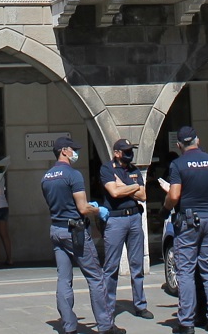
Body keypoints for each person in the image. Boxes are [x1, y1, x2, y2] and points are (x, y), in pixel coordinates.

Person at [41, 136, 119, 334]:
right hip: (75, 231)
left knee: (64, 279)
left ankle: (68, 327)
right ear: (64, 151)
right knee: (95, 277)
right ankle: (106, 326)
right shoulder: (73, 175)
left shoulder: (47, 177)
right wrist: (98, 209)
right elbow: (82, 208)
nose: (76, 153)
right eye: (73, 149)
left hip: (56, 230)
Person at [164, 126, 208, 334]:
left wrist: (165, 208)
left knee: (185, 272)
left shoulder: (178, 164)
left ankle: (186, 322)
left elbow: (174, 196)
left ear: (178, 145)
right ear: (198, 140)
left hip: (188, 222)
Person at [99, 139, 151, 319]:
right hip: (116, 220)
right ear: (117, 153)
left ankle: (140, 305)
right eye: (126, 150)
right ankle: (108, 307)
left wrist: (125, 186)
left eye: (131, 150)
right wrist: (133, 187)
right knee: (111, 266)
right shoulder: (107, 169)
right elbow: (113, 193)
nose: (130, 153)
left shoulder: (135, 170)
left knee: (137, 265)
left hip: (135, 218)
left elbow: (143, 195)